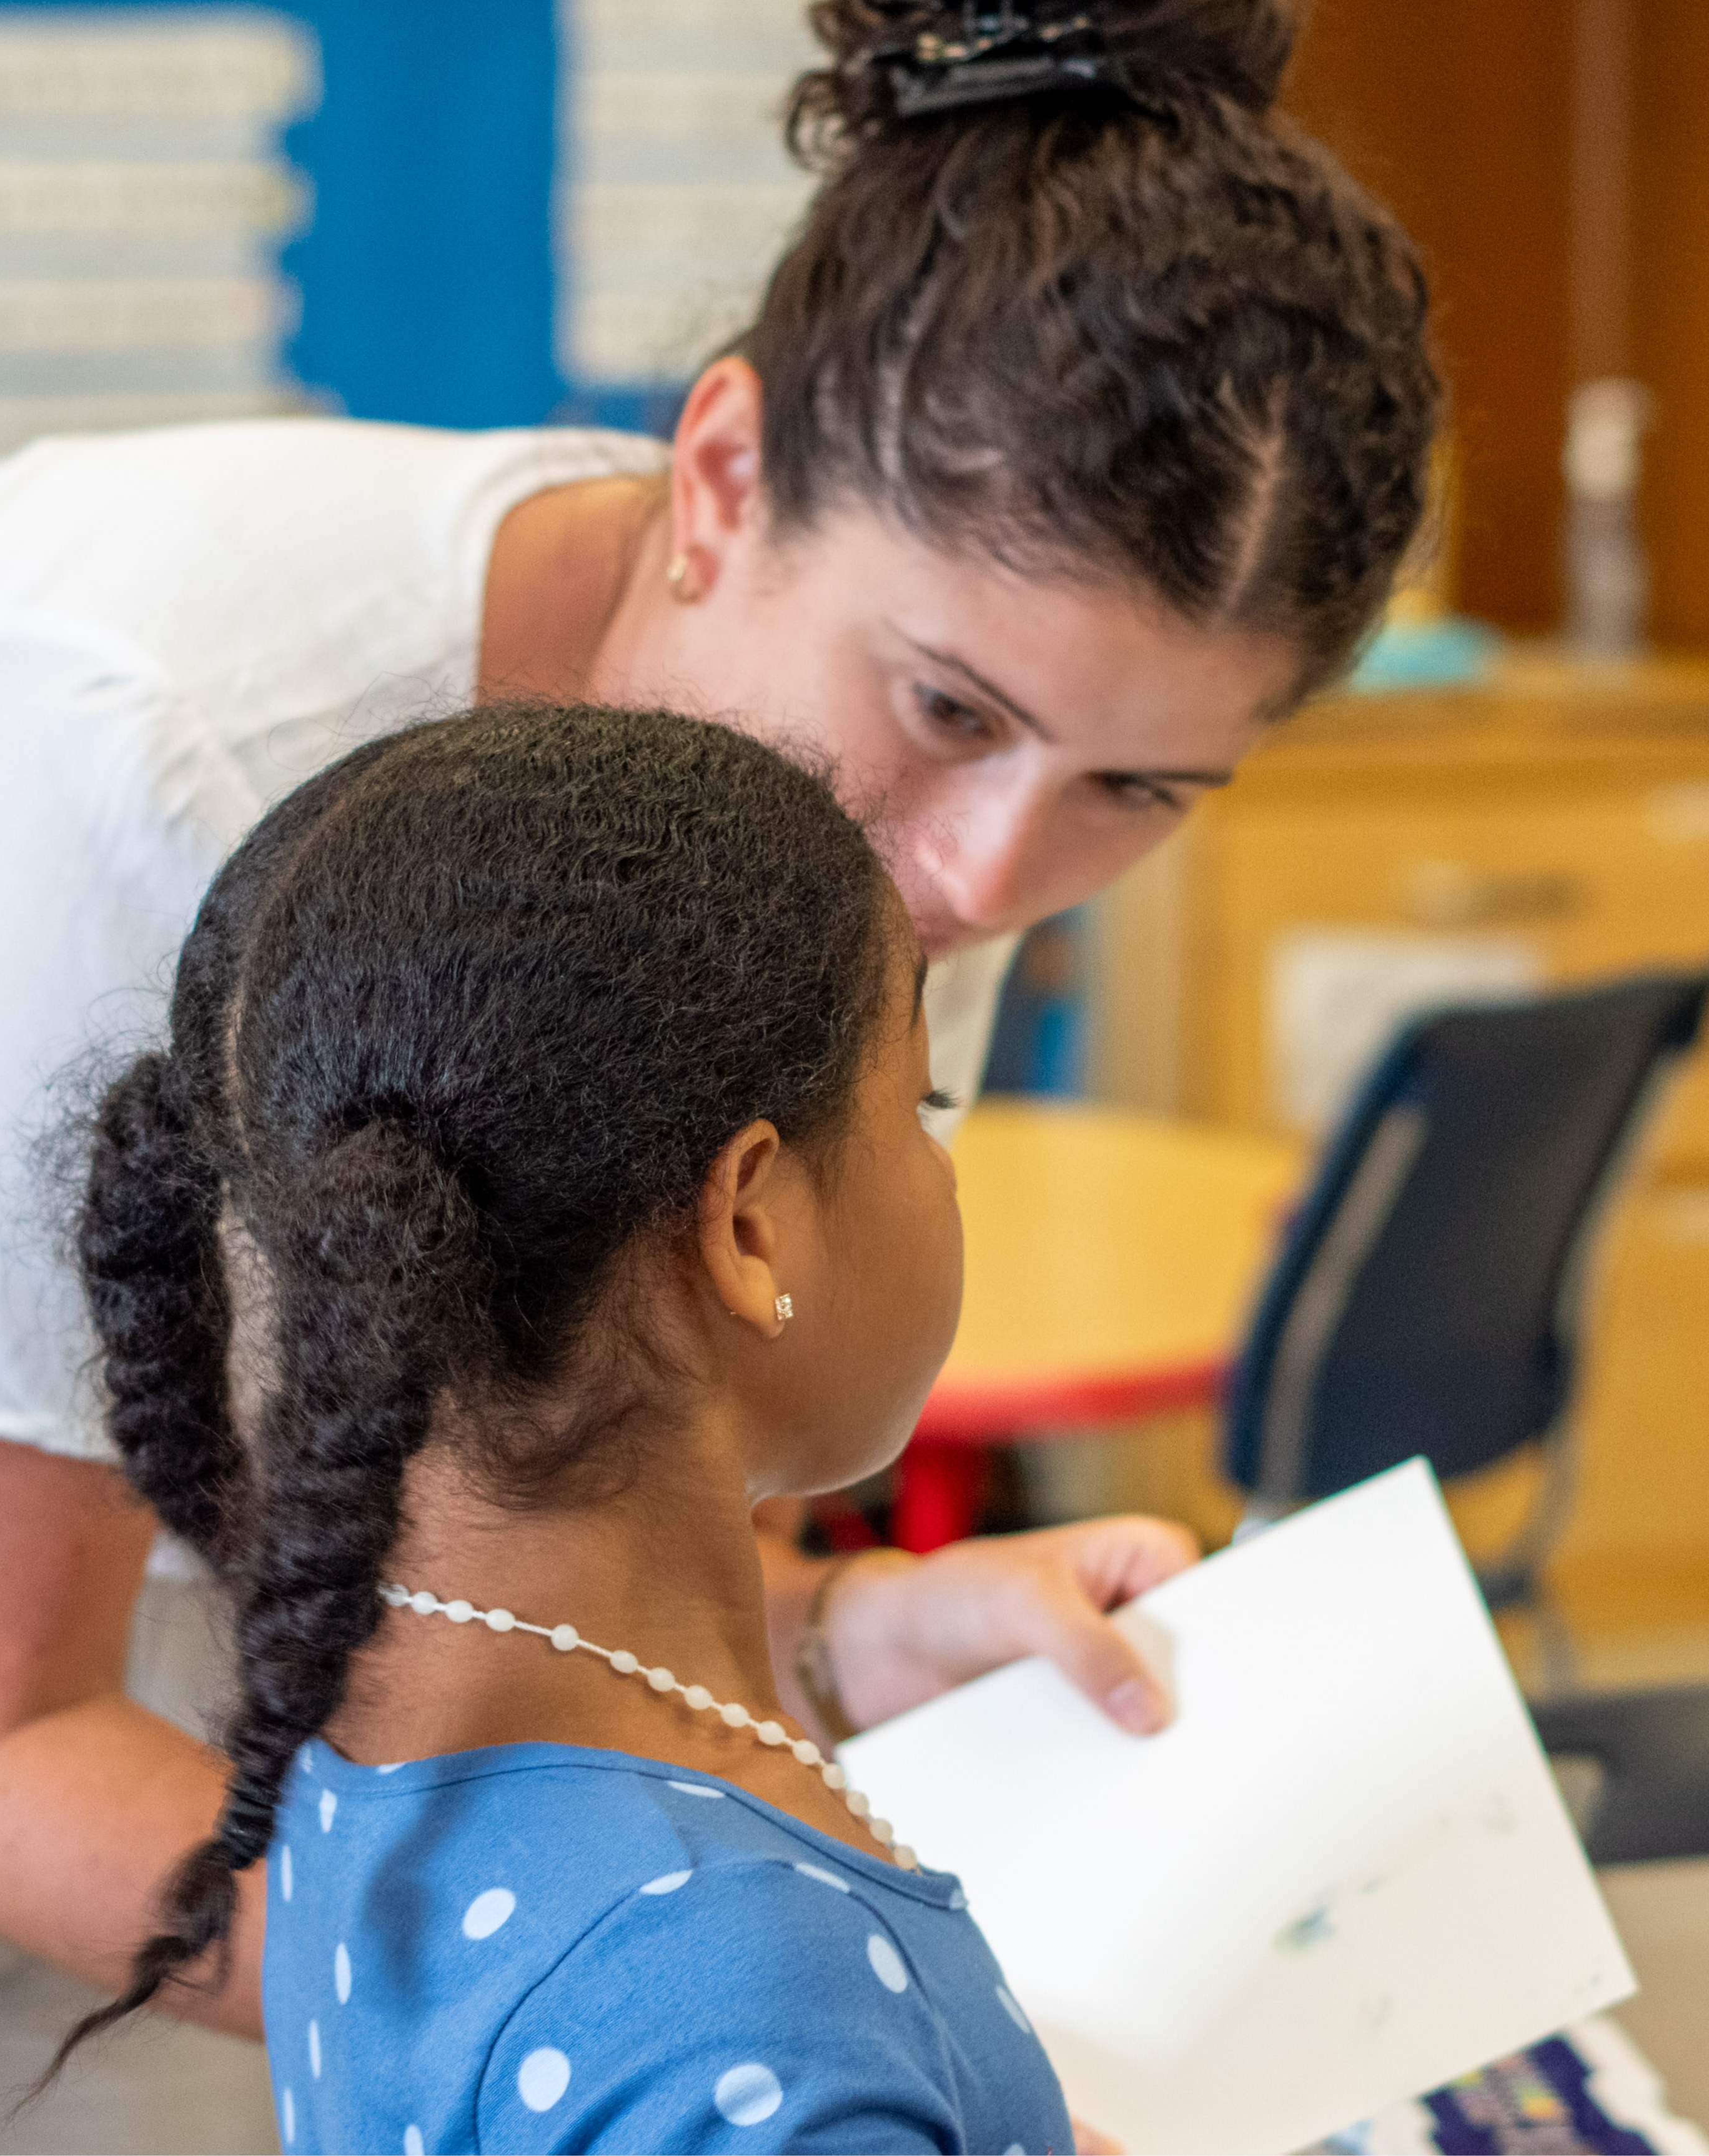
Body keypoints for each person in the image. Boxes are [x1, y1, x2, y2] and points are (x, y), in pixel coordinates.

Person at [0, 1, 1436, 2147]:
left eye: (1136, 784)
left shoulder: (884, 811)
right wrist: (783, 2064)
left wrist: (848, 1630)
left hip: (190, 1693)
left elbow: (504, 1454)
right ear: (726, 475)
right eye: (948, 708)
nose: (982, 878)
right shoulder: (129, 751)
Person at [65, 700, 1042, 2155]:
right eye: (921, 1103)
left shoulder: (369, 1731)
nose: (942, 1168)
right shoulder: (751, 2005)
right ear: (750, 1222)